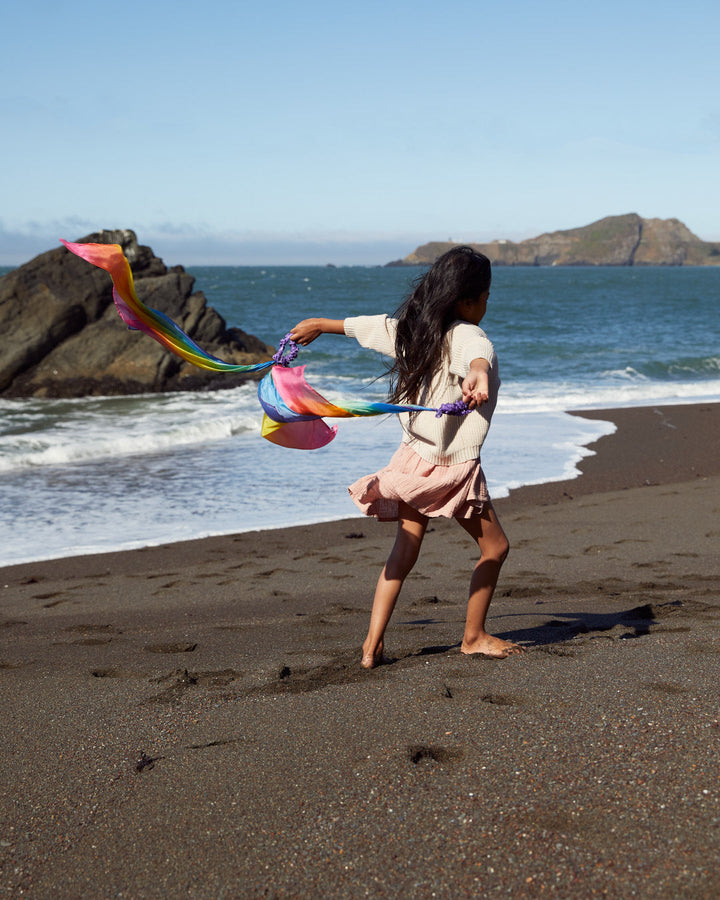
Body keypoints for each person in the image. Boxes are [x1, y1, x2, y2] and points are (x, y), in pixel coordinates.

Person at [290, 246, 523, 669]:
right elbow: (477, 352)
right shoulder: (468, 334)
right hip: (451, 467)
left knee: (405, 548)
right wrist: (479, 371)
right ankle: (473, 637)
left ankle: (371, 647)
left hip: (413, 459)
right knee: (496, 548)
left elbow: (369, 327)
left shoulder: (413, 332)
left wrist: (320, 325)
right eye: (485, 298)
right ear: (466, 301)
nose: (487, 306)